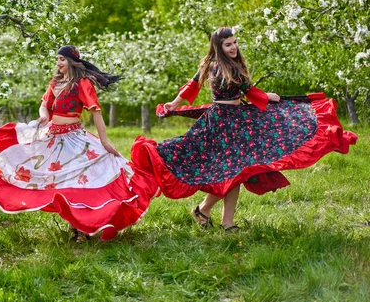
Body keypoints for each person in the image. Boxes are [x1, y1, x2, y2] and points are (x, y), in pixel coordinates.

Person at [131, 27, 357, 231]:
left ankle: (212, 215)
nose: (233, 47)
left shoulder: (233, 66)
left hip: (237, 122)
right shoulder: (214, 66)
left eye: (235, 42)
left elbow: (246, 93)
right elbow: (195, 86)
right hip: (220, 123)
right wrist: (174, 104)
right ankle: (213, 215)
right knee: (230, 171)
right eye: (228, 44)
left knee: (234, 171)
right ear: (218, 47)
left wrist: (267, 98)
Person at [0, 45, 159, 241]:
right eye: (57, 59)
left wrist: (104, 142)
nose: (58, 63)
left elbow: (96, 113)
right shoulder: (55, 82)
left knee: (77, 184)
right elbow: (44, 104)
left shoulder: (82, 83)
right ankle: (76, 226)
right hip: (52, 137)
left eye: (62, 59)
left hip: (74, 139)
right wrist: (43, 117)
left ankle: (82, 230)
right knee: (57, 182)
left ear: (71, 61)